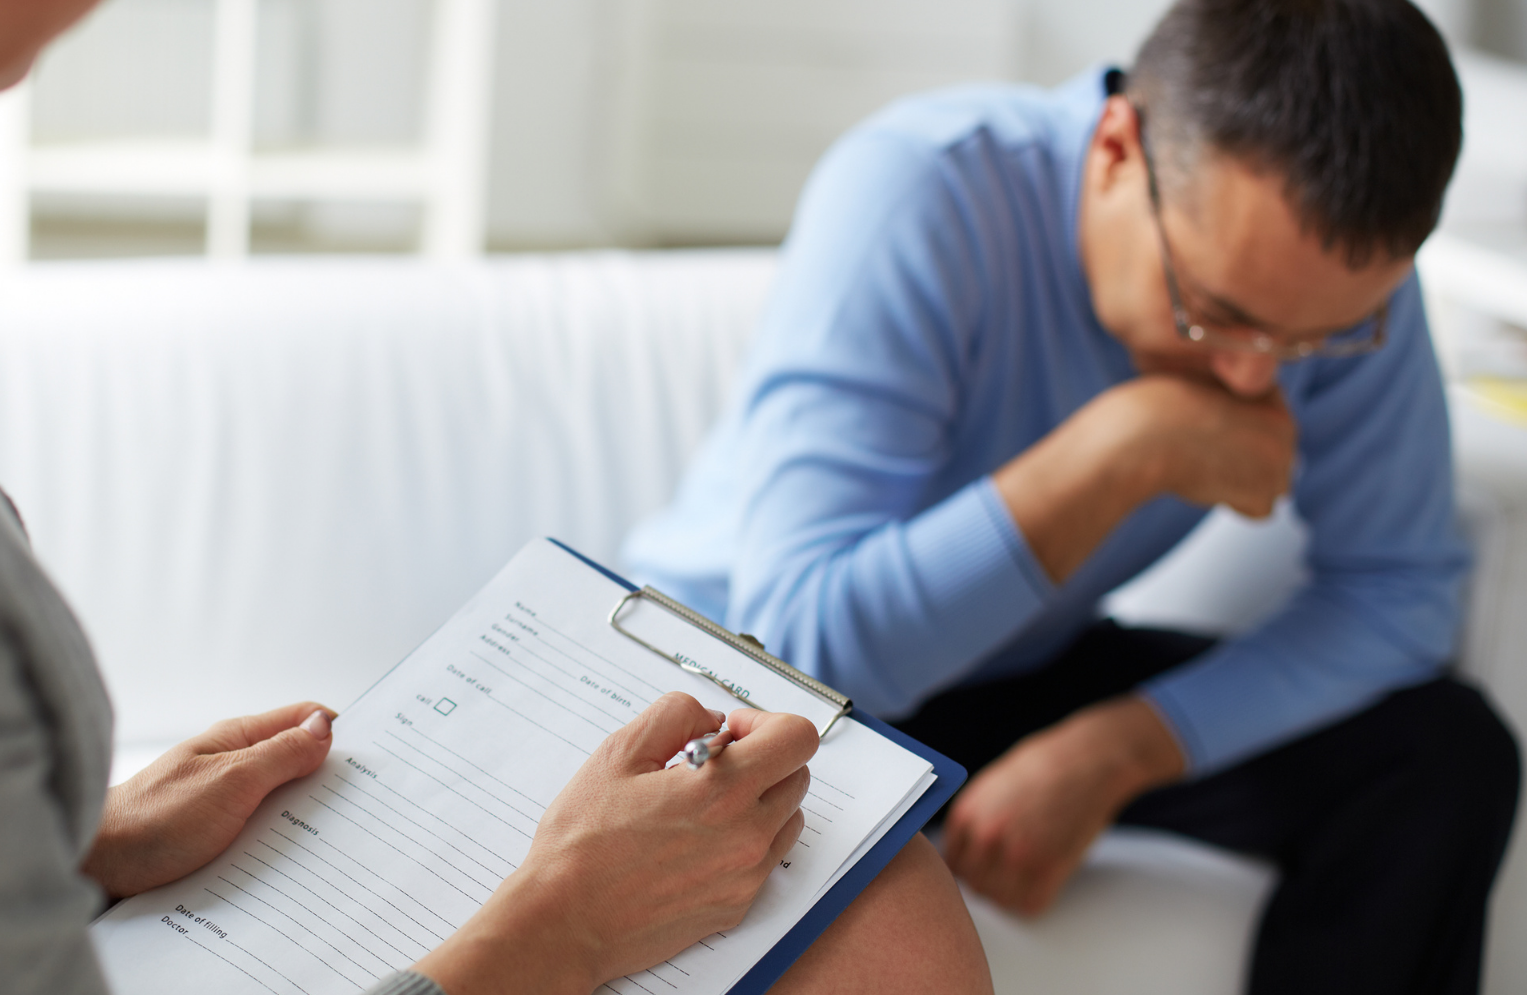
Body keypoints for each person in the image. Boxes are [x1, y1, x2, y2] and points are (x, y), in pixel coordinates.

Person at [0, 3, 994, 994]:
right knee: (874, 920)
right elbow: (820, 622)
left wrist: (83, 848)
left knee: (857, 884)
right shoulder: (926, 187)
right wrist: (566, 920)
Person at [623, 0, 1521, 990]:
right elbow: (804, 652)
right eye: (1214, 313)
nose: (1255, 378)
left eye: (1312, 339)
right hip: (733, 687)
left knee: (1442, 756)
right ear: (1114, 148)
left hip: (1010, 673)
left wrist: (1126, 744)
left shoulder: (1336, 297)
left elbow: (1399, 590)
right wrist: (1122, 447)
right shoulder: (922, 188)